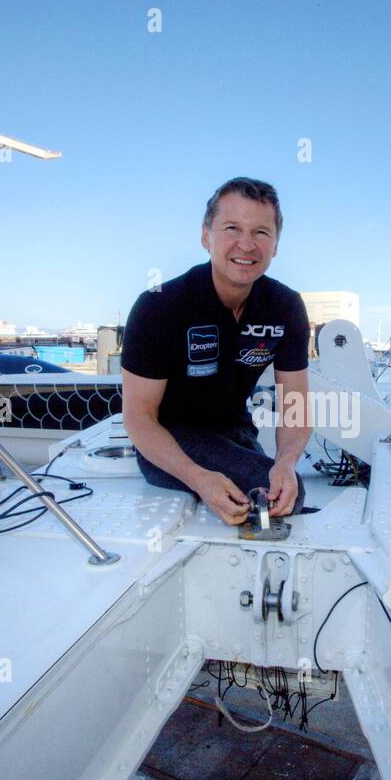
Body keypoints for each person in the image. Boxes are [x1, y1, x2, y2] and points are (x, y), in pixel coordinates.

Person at [121, 177, 311, 525]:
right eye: (231, 228)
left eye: (261, 233)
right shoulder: (159, 305)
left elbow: (294, 407)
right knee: (275, 491)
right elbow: (139, 417)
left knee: (281, 487)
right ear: (206, 236)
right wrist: (198, 479)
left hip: (235, 431)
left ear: (276, 244)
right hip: (169, 440)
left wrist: (286, 462)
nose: (246, 244)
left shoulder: (285, 307)